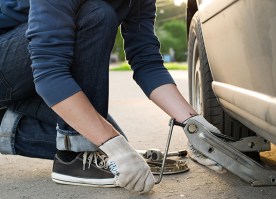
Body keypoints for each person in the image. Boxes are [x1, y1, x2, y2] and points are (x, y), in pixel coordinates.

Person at [0, 0, 222, 193]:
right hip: (10, 61)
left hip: (24, 76)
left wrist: (193, 124)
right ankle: (74, 159)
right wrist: (116, 149)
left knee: (104, 139)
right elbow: (49, 72)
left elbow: (147, 62)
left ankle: (5, 123)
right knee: (96, 15)